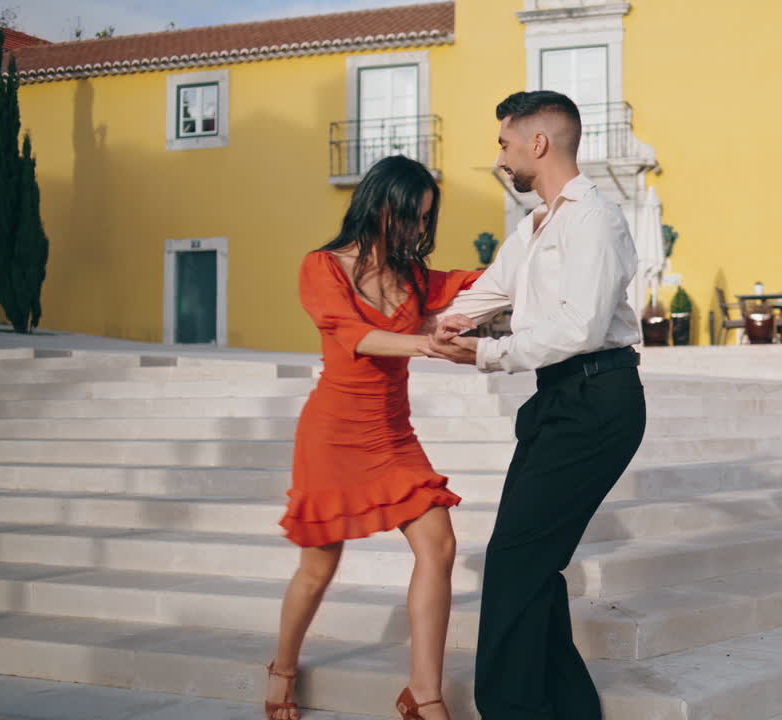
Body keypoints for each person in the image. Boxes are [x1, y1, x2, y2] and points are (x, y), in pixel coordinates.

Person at [423, 90, 647, 719]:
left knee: (517, 560)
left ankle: (515, 709)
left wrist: (486, 356)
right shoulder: (535, 225)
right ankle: (566, 708)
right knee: (530, 562)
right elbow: (492, 290)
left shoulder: (594, 220)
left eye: (503, 143)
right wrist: (445, 326)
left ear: (537, 143)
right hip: (559, 398)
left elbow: (579, 328)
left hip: (599, 399)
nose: (499, 157)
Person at [265, 156, 481, 720]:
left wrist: (540, 241)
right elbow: (353, 335)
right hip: (332, 434)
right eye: (410, 217)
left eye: (424, 220)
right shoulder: (322, 267)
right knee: (318, 569)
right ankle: (281, 670)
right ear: (381, 205)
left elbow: (477, 281)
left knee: (439, 546)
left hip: (393, 434)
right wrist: (426, 343)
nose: (415, 230)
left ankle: (423, 694)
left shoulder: (413, 277)